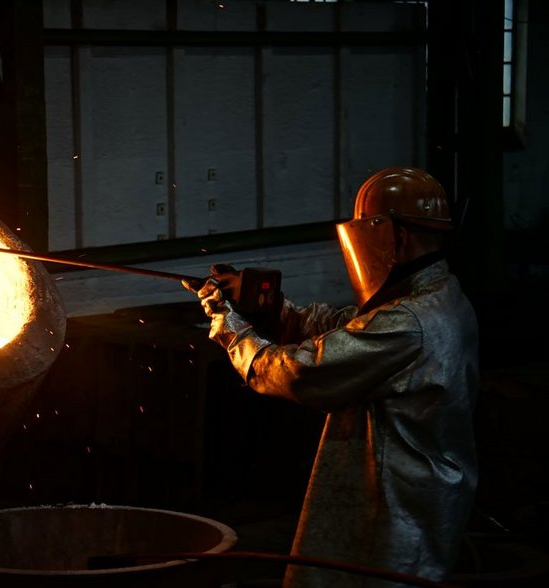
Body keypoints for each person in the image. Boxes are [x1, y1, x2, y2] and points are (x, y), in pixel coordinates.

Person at [193, 167, 479, 586]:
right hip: (410, 501)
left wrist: (232, 329)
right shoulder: (435, 296)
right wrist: (273, 311)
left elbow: (302, 373)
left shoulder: (412, 321)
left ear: (393, 237)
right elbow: (347, 328)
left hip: (395, 516)